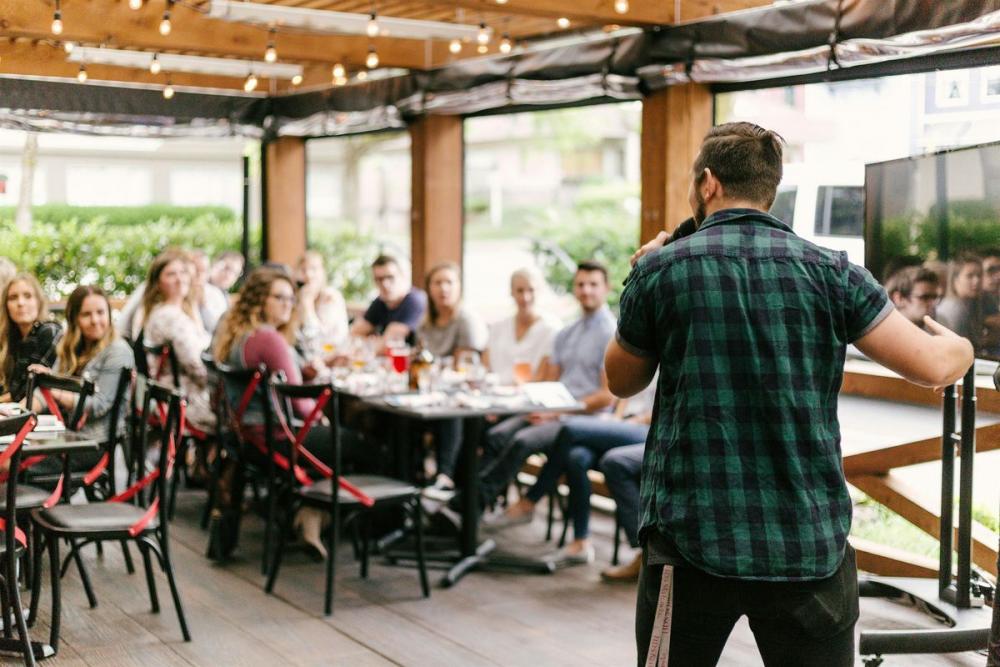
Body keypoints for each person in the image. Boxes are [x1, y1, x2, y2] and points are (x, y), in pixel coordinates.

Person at [608, 121, 974, 666]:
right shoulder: (833, 272)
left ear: (708, 183)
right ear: (770, 188)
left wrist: (639, 278)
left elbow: (621, 379)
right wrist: (964, 344)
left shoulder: (662, 269)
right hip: (806, 541)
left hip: (690, 539)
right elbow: (932, 367)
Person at [213, 267, 339, 559]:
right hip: (279, 440)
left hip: (247, 439)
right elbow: (300, 405)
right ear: (260, 301)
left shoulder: (238, 335)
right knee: (362, 443)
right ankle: (315, 511)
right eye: (280, 298)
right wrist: (322, 415)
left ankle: (310, 510)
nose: (288, 305)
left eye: (291, 299)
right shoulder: (269, 339)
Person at [477, 260, 616, 517]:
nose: (586, 290)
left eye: (593, 285)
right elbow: (550, 381)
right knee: (496, 434)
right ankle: (477, 502)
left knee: (520, 440)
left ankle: (472, 503)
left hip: (583, 418)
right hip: (553, 411)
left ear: (606, 288)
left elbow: (607, 396)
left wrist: (558, 412)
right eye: (580, 284)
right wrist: (541, 406)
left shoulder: (611, 334)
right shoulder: (567, 332)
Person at [496, 381, 655, 565]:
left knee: (569, 429)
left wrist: (622, 422)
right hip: (617, 424)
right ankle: (581, 542)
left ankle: (530, 499)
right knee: (575, 458)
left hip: (642, 429)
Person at [28, 285, 134, 475]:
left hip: (94, 443)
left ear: (109, 314)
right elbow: (45, 392)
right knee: (13, 453)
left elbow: (99, 405)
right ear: (75, 318)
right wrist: (20, 413)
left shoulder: (118, 351)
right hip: (65, 435)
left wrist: (56, 390)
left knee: (14, 465)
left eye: (100, 312)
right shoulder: (69, 345)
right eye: (86, 314)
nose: (95, 320)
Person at [416, 262, 487, 496]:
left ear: (459, 287)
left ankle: (444, 476)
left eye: (449, 282)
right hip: (429, 395)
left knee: (450, 409)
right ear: (429, 288)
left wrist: (434, 368)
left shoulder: (466, 319)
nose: (443, 288)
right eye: (438, 283)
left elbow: (463, 366)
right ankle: (410, 478)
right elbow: (419, 360)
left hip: (463, 397)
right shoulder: (425, 323)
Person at [139, 249, 215, 433]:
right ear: (158, 283)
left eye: (183, 272)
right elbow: (196, 366)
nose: (180, 279)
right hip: (184, 402)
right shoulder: (169, 317)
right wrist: (225, 383)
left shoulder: (175, 311)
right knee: (243, 418)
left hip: (174, 397)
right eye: (171, 274)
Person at [484, 268, 559, 385]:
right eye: (520, 291)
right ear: (511, 292)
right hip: (494, 394)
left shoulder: (551, 328)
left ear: (539, 291)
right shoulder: (498, 327)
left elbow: (543, 376)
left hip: (528, 397)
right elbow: (485, 367)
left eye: (531, 290)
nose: (525, 297)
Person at [0, 273, 61, 403]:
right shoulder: (10, 338)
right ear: (6, 305)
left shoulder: (49, 331)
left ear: (38, 301)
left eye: (28, 296)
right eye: (13, 297)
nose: (20, 303)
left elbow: (25, 391)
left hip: (41, 416)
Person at [350, 255, 427, 342]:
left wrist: (373, 341)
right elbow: (353, 334)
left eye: (390, 277)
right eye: (379, 279)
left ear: (403, 276)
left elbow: (389, 343)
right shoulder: (380, 302)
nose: (385, 284)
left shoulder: (415, 300)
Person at [294, 251, 349, 356]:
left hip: (332, 357)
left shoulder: (331, 297)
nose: (309, 275)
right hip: (308, 357)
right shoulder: (299, 296)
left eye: (314, 269)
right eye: (303, 270)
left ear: (323, 272)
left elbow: (317, 339)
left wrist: (307, 303)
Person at [936, 254, 984, 349]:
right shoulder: (954, 309)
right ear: (955, 279)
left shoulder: (969, 304)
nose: (976, 281)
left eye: (979, 275)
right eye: (969, 276)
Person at [189, 249, 229, 333]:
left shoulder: (215, 293)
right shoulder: (178, 294)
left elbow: (221, 327)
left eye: (203, 270)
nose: (199, 275)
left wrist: (203, 305)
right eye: (196, 269)